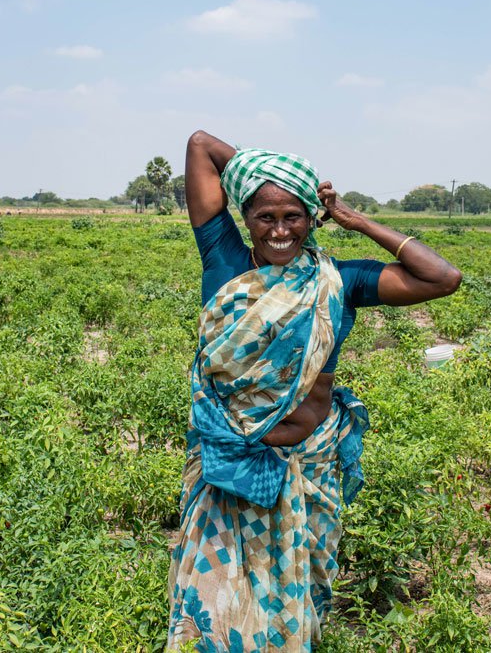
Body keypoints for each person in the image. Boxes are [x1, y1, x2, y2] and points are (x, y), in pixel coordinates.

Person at [167, 131, 462, 651]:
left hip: (307, 469)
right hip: (228, 470)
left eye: (293, 215)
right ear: (245, 219)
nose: (279, 230)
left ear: (312, 218)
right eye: (265, 216)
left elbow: (443, 278)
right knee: (214, 607)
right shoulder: (225, 263)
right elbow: (200, 145)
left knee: (295, 602)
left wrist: (355, 219)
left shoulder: (339, 282)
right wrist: (270, 177)